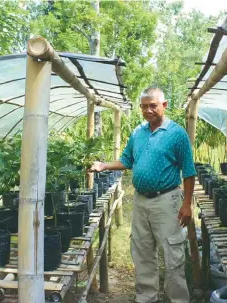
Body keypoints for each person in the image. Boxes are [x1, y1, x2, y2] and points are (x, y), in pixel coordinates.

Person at [90, 87, 196, 303]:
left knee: (173, 254)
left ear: (164, 105)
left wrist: (186, 204)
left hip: (167, 201)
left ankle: (178, 299)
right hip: (141, 201)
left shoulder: (176, 134)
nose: (148, 110)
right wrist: (103, 165)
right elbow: (127, 161)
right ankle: (146, 298)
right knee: (142, 250)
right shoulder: (138, 132)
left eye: (153, 106)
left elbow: (189, 171)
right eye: (144, 106)